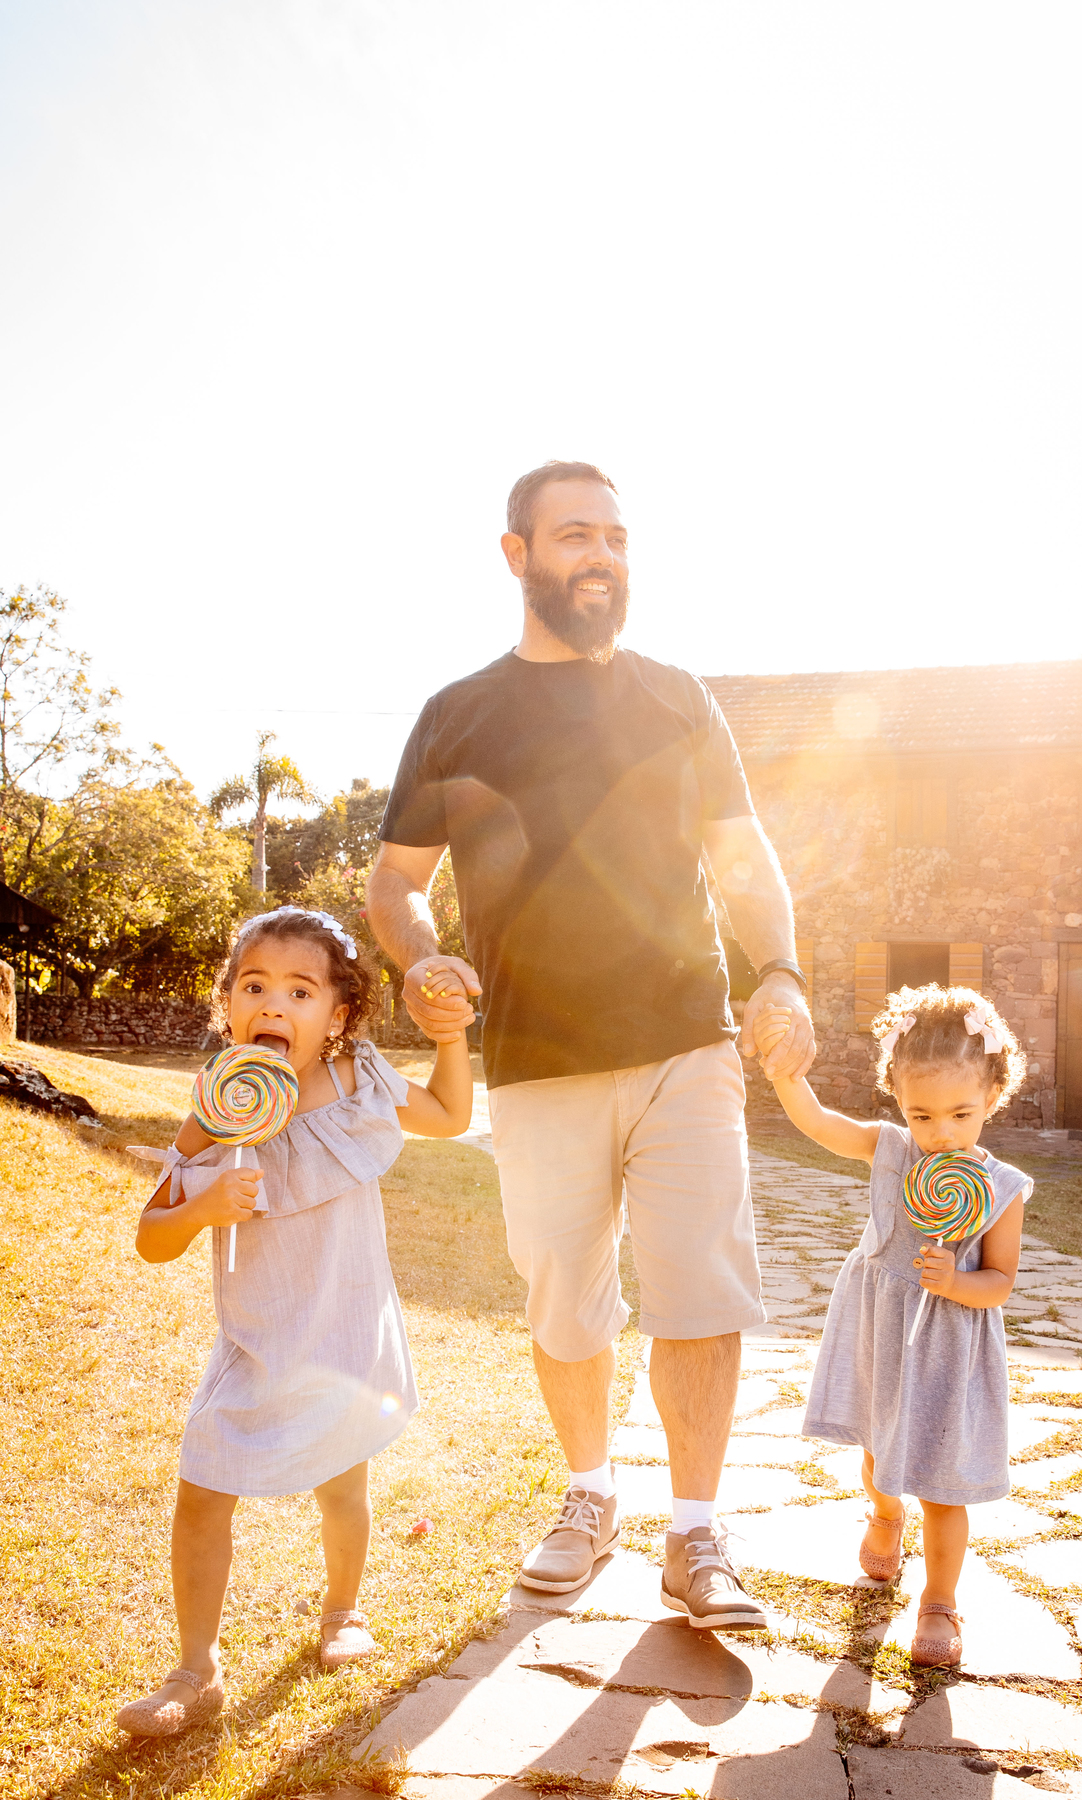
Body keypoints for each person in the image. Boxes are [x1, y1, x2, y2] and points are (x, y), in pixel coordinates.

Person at [367, 458, 816, 1631]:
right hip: (535, 1056)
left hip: (685, 1041)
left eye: (616, 536)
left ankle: (698, 1532)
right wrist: (421, 960)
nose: (602, 556)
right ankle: (588, 1497)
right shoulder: (457, 714)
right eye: (574, 536)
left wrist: (780, 971)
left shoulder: (679, 698)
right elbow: (395, 882)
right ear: (515, 555)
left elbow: (743, 852)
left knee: (698, 1292)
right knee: (567, 1299)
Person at [115, 907, 472, 1738]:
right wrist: (201, 1205)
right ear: (229, 1005)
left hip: (345, 1334)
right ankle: (194, 1667)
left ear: (339, 1016)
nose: (273, 1005)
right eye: (255, 985)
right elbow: (151, 1237)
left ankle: (342, 1612)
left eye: (300, 990)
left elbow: (451, 1116)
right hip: (259, 1338)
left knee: (343, 1485)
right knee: (202, 1490)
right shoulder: (217, 1110)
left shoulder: (360, 1083)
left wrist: (450, 1037)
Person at [752, 983, 1031, 1668]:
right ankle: (883, 1513)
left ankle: (939, 1600)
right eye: (922, 1114)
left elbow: (999, 1283)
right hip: (882, 1324)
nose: (940, 1133)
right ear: (898, 1102)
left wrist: (956, 1280)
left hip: (950, 1342)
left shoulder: (1001, 1188)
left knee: (942, 1475)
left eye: (961, 1114)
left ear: (993, 1095)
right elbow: (819, 1124)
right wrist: (788, 1078)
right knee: (879, 1450)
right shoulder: (888, 1149)